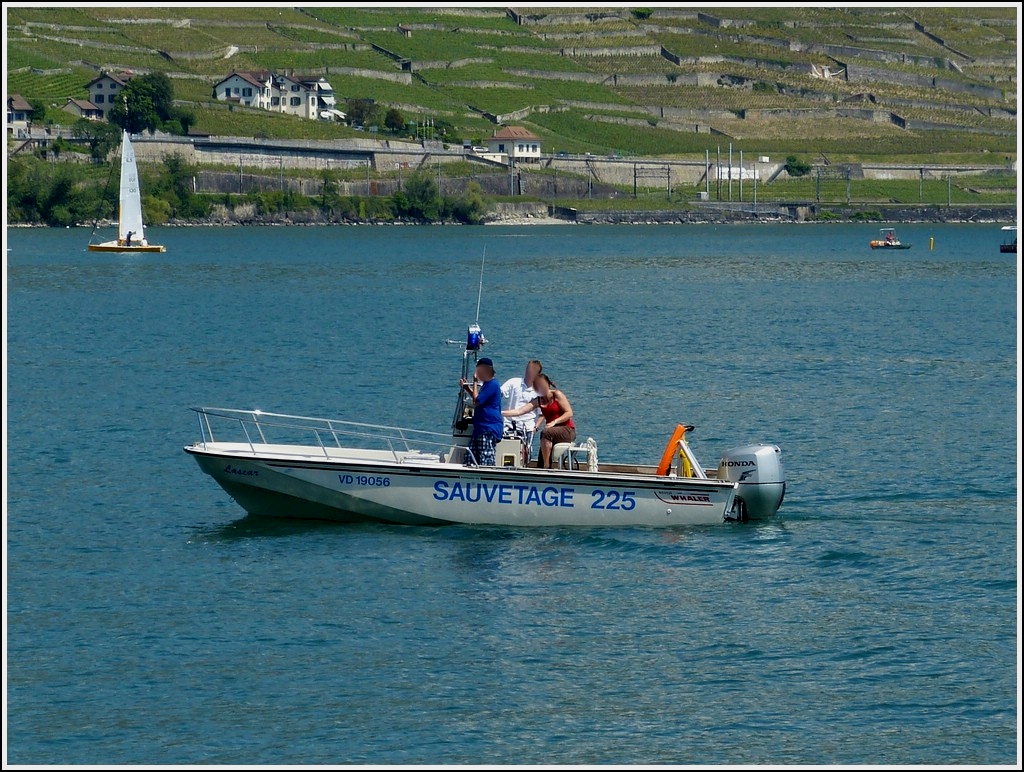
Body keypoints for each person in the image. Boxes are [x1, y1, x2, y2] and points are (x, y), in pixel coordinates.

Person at [502, 373, 575, 469]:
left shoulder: (557, 395)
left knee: (545, 433)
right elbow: (520, 411)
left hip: (567, 430)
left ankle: (547, 466)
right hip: (551, 433)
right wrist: (500, 412)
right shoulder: (538, 400)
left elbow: (569, 413)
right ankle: (542, 468)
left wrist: (555, 422)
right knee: (545, 440)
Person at [459, 357, 503, 466]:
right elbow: (477, 399)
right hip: (480, 428)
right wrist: (467, 388)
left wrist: (474, 382)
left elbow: (477, 401)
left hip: (488, 428)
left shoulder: (493, 384)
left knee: (486, 458)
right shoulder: (486, 385)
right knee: (470, 458)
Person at [501, 359, 542, 462]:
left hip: (527, 426)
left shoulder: (539, 391)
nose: (529, 372)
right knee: (505, 450)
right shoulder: (514, 382)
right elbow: (498, 393)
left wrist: (536, 427)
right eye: (528, 369)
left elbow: (542, 414)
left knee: (525, 454)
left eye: (532, 370)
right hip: (508, 424)